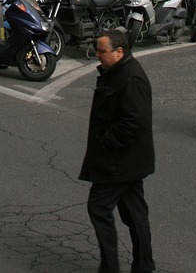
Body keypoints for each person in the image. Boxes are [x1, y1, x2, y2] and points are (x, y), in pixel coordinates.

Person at [80, 29, 155, 273]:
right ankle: (143, 265)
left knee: (99, 207)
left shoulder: (131, 78)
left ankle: (110, 267)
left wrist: (107, 141)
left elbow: (134, 122)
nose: (98, 56)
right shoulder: (118, 72)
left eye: (102, 51)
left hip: (119, 162)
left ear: (119, 52)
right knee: (135, 214)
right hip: (127, 161)